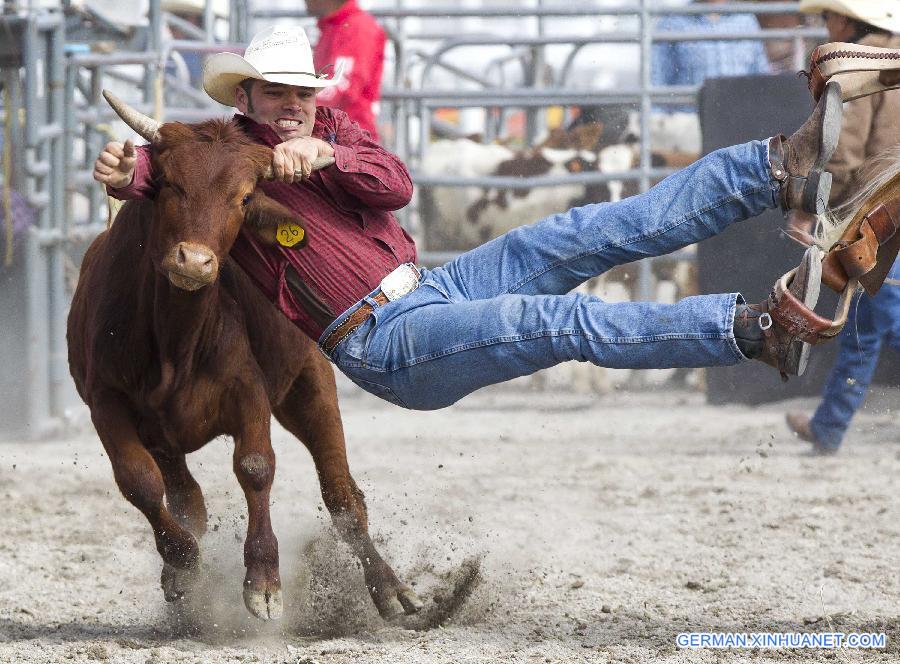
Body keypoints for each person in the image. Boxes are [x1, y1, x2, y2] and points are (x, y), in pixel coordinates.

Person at [92, 25, 896, 412]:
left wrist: (328, 157)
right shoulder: (220, 149)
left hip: (432, 287)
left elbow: (395, 184)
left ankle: (782, 167)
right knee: (558, 320)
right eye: (279, 95)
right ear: (246, 99)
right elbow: (171, 175)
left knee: (593, 228)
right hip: (382, 340)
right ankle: (754, 331)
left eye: (304, 93)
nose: (296, 107)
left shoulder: (332, 135)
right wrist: (129, 173)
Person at [785, 0, 900, 454]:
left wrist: (814, 207)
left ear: (850, 19)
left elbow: (847, 150)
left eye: (830, 15)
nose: (826, 23)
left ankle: (829, 426)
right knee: (869, 324)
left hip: (879, 208)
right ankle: (829, 426)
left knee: (887, 314)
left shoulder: (860, 66)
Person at [652, 0, 770, 112]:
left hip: (740, 121)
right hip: (692, 125)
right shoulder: (672, 23)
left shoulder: (746, 20)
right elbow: (656, 85)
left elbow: (762, 81)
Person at [305, 0, 386, 140]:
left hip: (349, 141)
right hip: (335, 135)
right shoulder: (338, 26)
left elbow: (342, 89)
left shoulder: (357, 27)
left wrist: (296, 104)